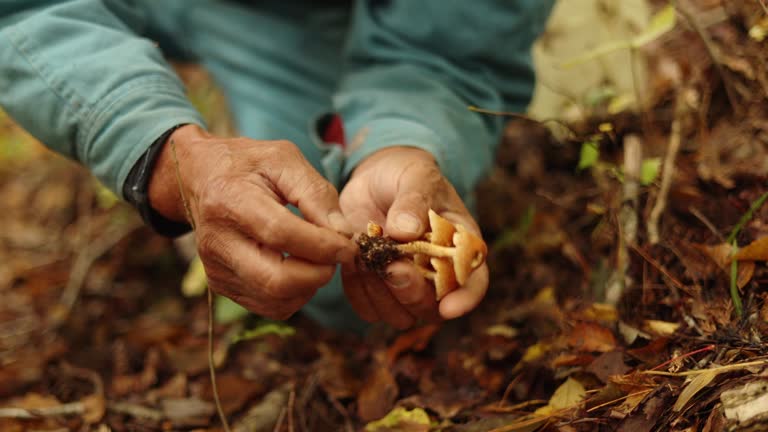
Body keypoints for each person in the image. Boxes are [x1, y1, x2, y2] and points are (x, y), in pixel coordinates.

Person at [0, 0, 553, 331]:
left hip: (297, 16)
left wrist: (399, 141)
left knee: (342, 289)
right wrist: (166, 155)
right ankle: (207, 139)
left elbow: (452, 44)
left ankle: (268, 112)